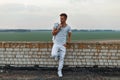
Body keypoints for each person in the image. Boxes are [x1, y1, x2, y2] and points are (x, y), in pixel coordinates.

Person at [51, 13, 72, 77]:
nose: (61, 19)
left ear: (65, 19)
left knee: (62, 58)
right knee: (53, 55)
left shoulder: (68, 27)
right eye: (60, 18)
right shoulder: (56, 25)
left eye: (62, 18)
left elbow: (69, 35)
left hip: (63, 45)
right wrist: (58, 29)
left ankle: (59, 71)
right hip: (56, 43)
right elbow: (53, 34)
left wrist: (68, 42)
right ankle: (57, 55)